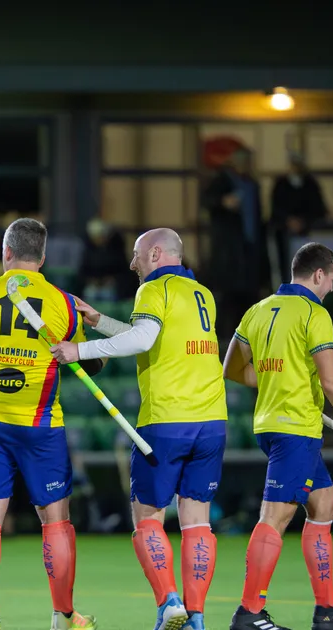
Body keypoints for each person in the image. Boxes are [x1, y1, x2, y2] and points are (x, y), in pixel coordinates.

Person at [50, 227, 227, 630]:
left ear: (156, 253)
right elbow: (155, 336)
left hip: (167, 420)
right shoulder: (202, 293)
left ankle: (168, 602)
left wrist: (80, 349)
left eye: (136, 255)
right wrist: (98, 321)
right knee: (197, 521)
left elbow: (144, 339)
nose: (131, 263)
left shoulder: (152, 289)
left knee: (147, 517)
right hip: (212, 421)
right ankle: (196, 616)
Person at [0, 217, 102, 630]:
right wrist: (90, 326)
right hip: (41, 427)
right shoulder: (63, 302)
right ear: (44, 257)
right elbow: (93, 362)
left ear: (7, 253)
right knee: (55, 521)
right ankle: (63, 615)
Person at [222, 242, 333, 630]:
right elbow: (332, 382)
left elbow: (232, 369)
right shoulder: (314, 313)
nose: (331, 289)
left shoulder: (258, 310)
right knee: (275, 518)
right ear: (319, 274)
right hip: (295, 429)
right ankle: (249, 613)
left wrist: (278, 382)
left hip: (271, 424)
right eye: (332, 281)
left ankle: (327, 611)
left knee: (323, 504)